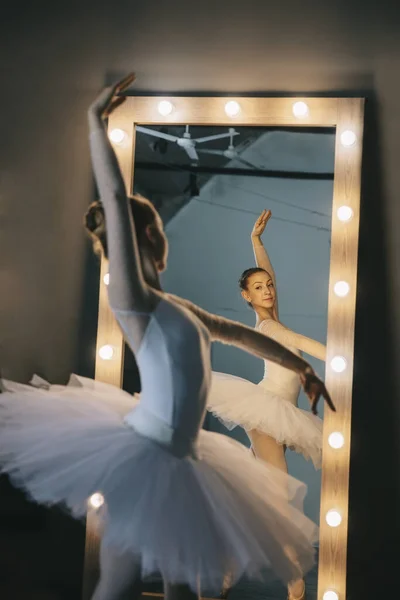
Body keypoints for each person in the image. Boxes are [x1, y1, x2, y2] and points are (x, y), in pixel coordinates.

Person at [0, 75, 333, 600]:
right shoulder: (134, 302)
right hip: (147, 458)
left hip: (185, 464)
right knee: (119, 581)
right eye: (152, 228)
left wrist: (305, 369)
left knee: (187, 587)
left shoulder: (186, 311)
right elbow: (113, 197)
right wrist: (94, 122)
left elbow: (249, 339)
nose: (160, 234)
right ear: (139, 241)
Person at [207, 209, 328, 599]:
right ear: (246, 297)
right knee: (278, 497)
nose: (268, 289)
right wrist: (344, 355)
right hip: (266, 411)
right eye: (258, 288)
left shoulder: (274, 316)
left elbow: (268, 278)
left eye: (269, 284)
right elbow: (311, 348)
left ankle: (224, 570)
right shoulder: (272, 327)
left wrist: (257, 242)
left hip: (275, 408)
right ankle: (293, 578)